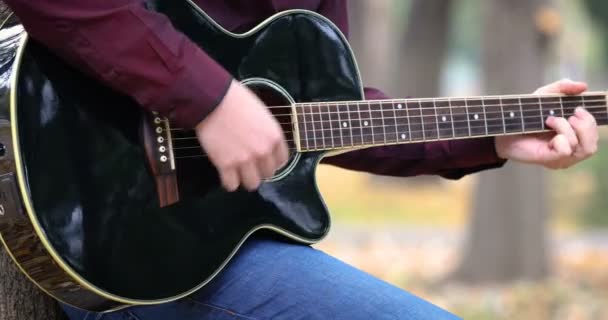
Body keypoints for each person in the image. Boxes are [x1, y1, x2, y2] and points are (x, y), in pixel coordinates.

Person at [3, 1, 599, 319]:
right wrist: (207, 100)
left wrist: (492, 137)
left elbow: (323, 110)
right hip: (117, 249)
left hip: (208, 249)